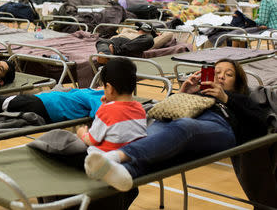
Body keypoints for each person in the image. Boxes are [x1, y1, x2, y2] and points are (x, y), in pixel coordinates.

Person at [84, 59, 268, 192]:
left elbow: (260, 122)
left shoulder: (240, 98)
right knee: (154, 143)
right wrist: (182, 93)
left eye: (228, 75)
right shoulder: (198, 94)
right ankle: (123, 172)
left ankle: (114, 157)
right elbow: (168, 109)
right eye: (216, 72)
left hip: (219, 126)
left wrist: (226, 98)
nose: (220, 77)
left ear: (237, 82)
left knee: (185, 126)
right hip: (178, 123)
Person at [76, 58, 147, 154]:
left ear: (109, 88)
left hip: (103, 158)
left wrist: (82, 134)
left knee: (62, 139)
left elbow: (92, 141)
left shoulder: (106, 111)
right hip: (131, 156)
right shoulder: (140, 108)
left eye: (104, 87)